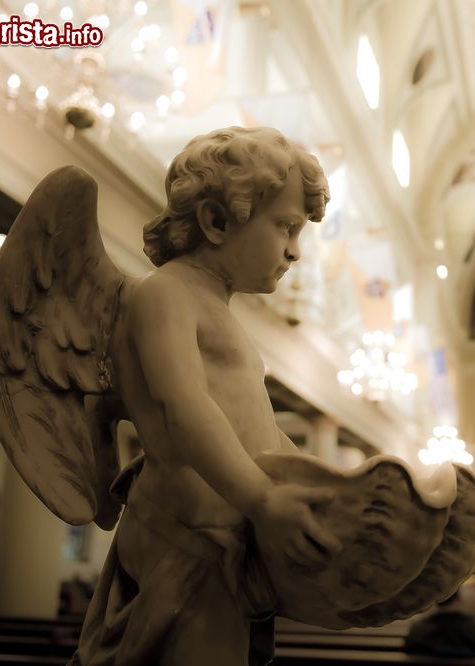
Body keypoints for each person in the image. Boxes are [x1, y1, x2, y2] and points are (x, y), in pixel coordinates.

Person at [72, 127, 341, 666]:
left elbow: (254, 427)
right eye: (286, 228)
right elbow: (183, 406)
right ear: (216, 222)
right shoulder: (165, 292)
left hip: (221, 534)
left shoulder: (220, 311)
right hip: (185, 536)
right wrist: (262, 499)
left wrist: (325, 485)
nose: (294, 252)